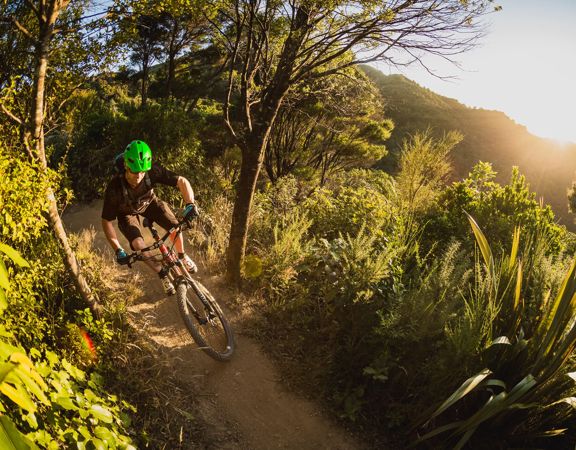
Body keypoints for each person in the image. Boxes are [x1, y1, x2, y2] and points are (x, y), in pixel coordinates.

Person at [101, 140, 198, 295]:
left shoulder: (152, 171)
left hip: (150, 203)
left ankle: (182, 256)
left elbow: (181, 181)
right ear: (126, 166)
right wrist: (118, 249)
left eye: (142, 171)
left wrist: (190, 204)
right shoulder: (114, 188)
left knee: (175, 227)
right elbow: (106, 221)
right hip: (127, 213)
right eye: (134, 171)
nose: (138, 176)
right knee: (139, 244)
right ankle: (162, 274)